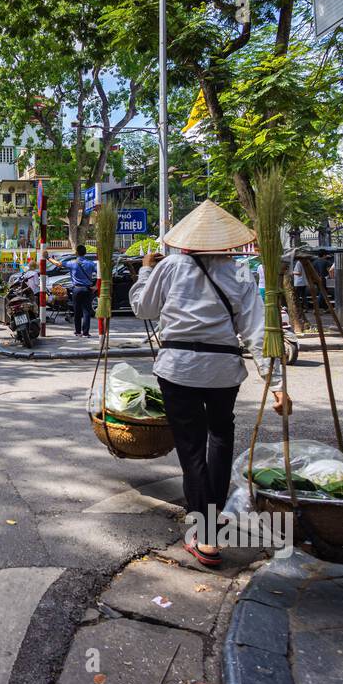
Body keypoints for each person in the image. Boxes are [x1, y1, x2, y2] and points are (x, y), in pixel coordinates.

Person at [129, 200, 289, 569]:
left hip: (179, 369)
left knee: (191, 448)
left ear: (187, 240)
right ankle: (211, 519)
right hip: (222, 371)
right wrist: (275, 381)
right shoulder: (240, 273)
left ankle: (206, 536)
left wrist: (143, 272)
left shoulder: (169, 267)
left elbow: (142, 309)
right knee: (220, 438)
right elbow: (255, 330)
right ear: (225, 243)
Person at [66, 245, 97, 337]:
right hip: (87, 289)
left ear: (76, 252)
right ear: (85, 253)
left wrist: (48, 258)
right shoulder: (91, 263)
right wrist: (96, 286)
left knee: (77, 311)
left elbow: (59, 264)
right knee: (86, 311)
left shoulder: (72, 263)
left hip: (76, 289)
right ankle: (86, 333)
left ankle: (78, 331)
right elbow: (100, 273)